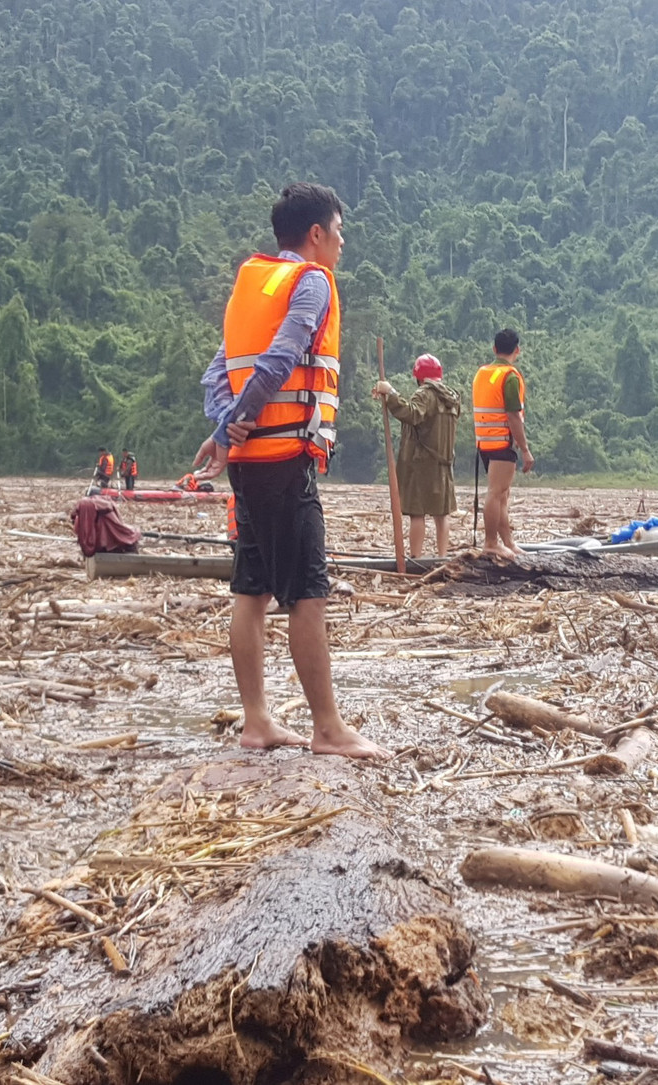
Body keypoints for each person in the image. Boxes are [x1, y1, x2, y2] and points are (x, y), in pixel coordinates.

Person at [191, 182, 391, 761]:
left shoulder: (252, 283)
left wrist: (225, 427)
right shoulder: (311, 282)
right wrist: (233, 425)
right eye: (339, 231)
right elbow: (282, 356)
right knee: (307, 592)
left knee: (252, 588)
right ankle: (327, 729)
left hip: (249, 464)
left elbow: (217, 372)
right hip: (283, 461)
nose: (342, 243)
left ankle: (257, 721)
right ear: (316, 234)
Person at [372, 353, 461, 558]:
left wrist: (390, 392)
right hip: (444, 463)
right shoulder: (452, 398)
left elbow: (411, 414)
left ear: (419, 377)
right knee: (441, 513)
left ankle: (416, 558)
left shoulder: (424, 394)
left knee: (417, 513)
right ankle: (442, 557)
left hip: (421, 464)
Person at [472, 328, 533, 559]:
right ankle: (491, 543)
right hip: (501, 442)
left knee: (502, 495)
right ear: (517, 350)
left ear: (494, 349)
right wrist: (525, 449)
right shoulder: (510, 377)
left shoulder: (482, 373)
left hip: (484, 442)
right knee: (496, 493)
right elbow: (513, 416)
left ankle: (508, 543)